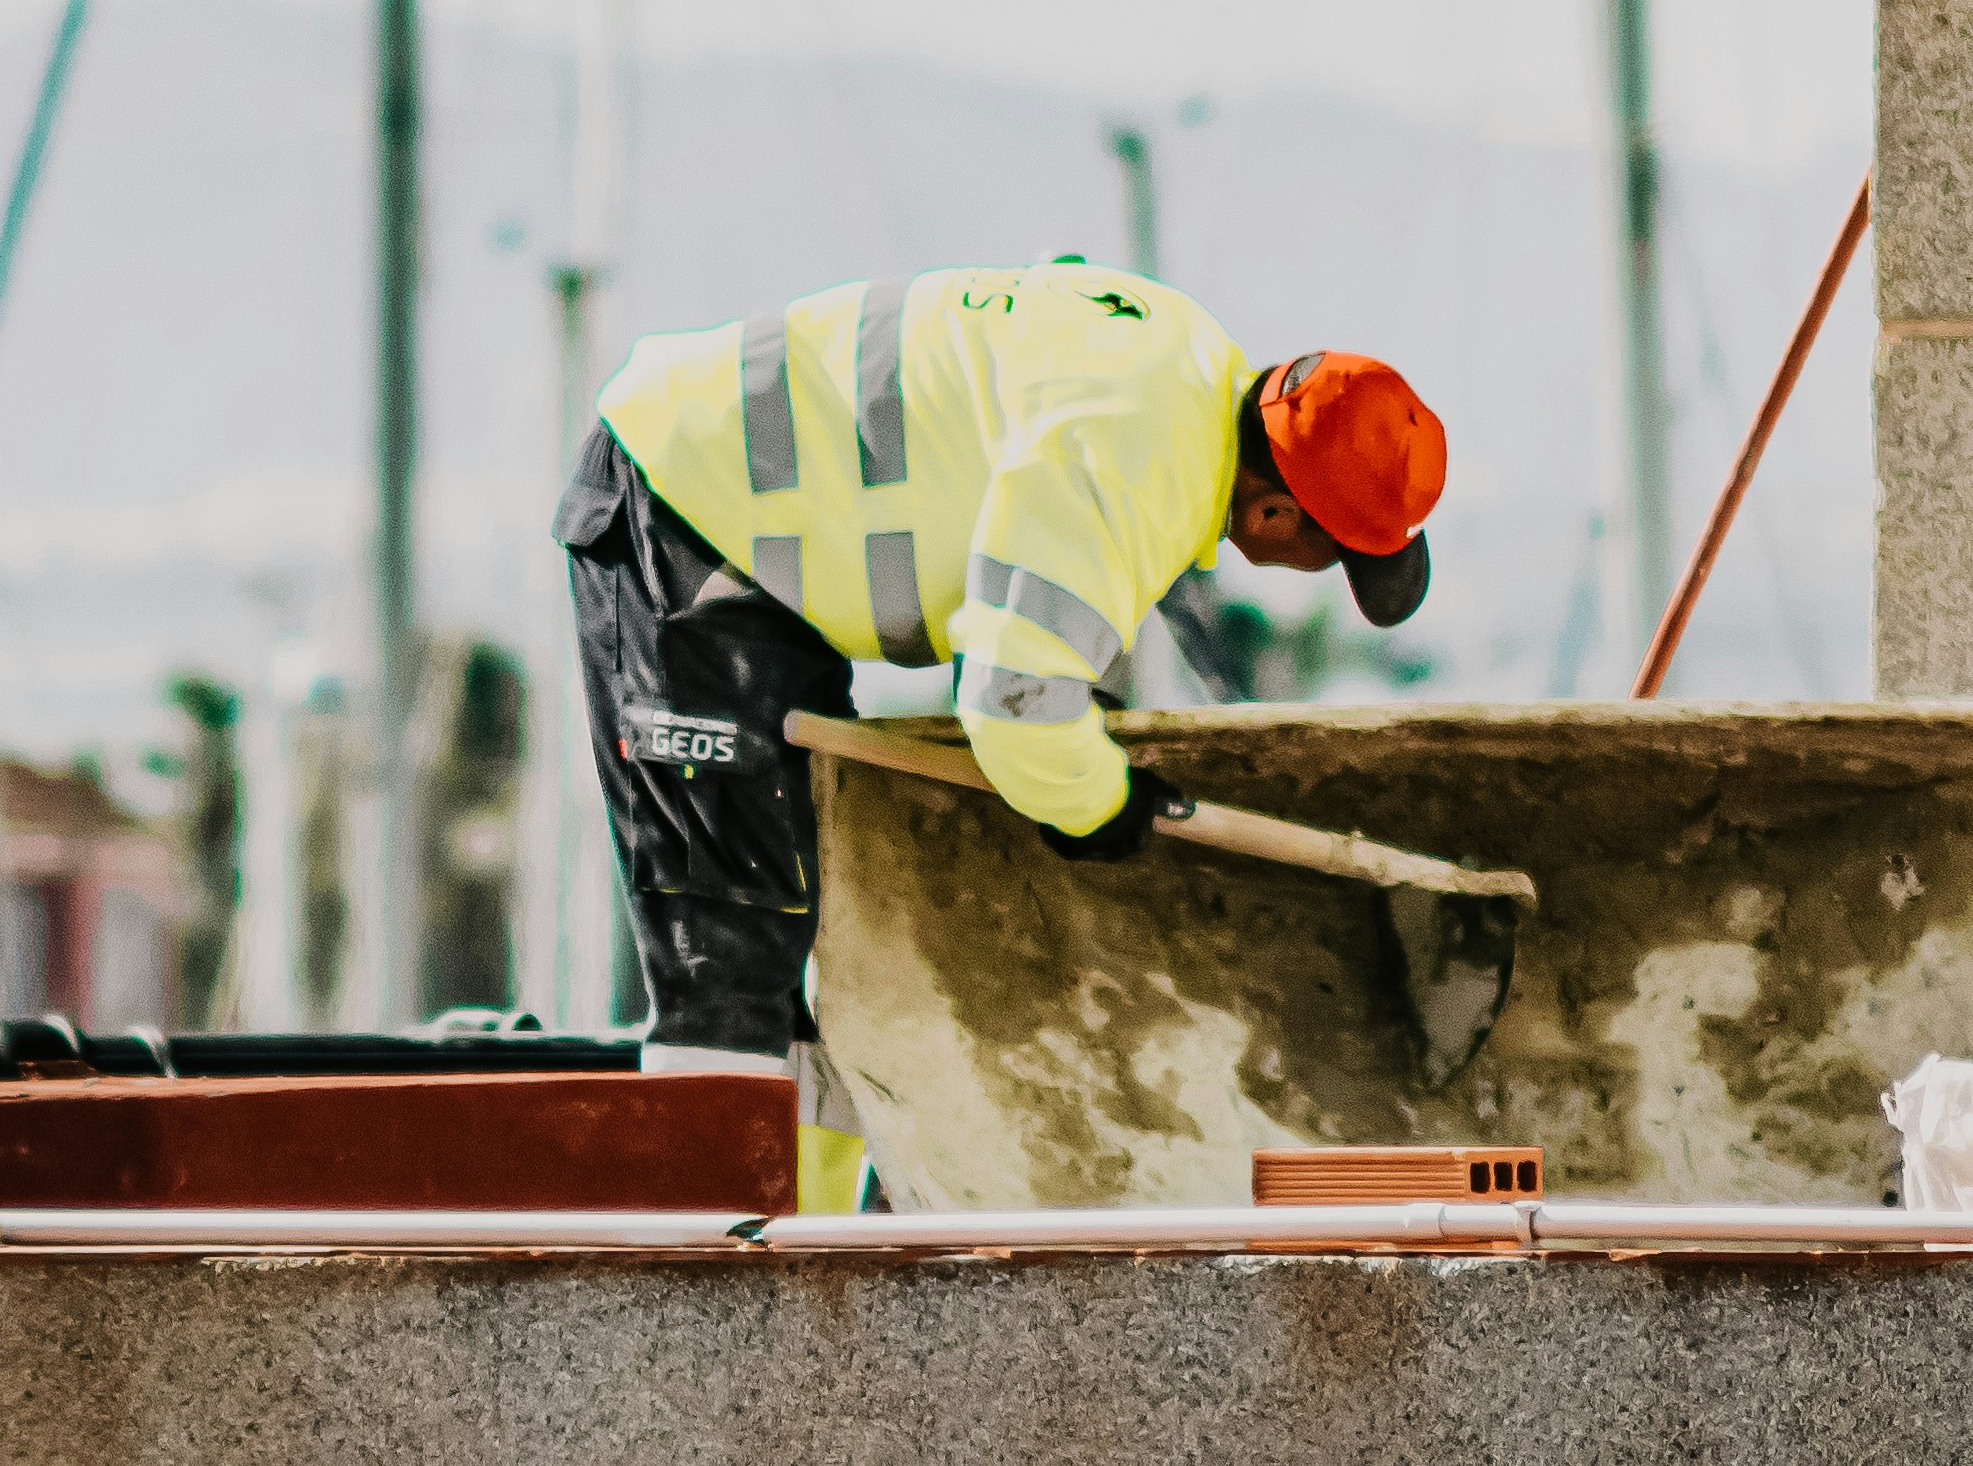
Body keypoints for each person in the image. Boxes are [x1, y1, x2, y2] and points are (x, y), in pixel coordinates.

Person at [554, 256, 1447, 1211]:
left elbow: (1019, 521)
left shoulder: (1183, 359)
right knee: (725, 948)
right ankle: (707, 1288)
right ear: (1277, 514)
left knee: (824, 919)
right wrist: (1097, 803)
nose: (1319, 575)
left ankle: (801, 1261)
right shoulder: (1135, 461)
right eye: (1332, 557)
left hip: (764, 540)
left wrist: (1078, 728)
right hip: (684, 501)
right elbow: (1013, 695)